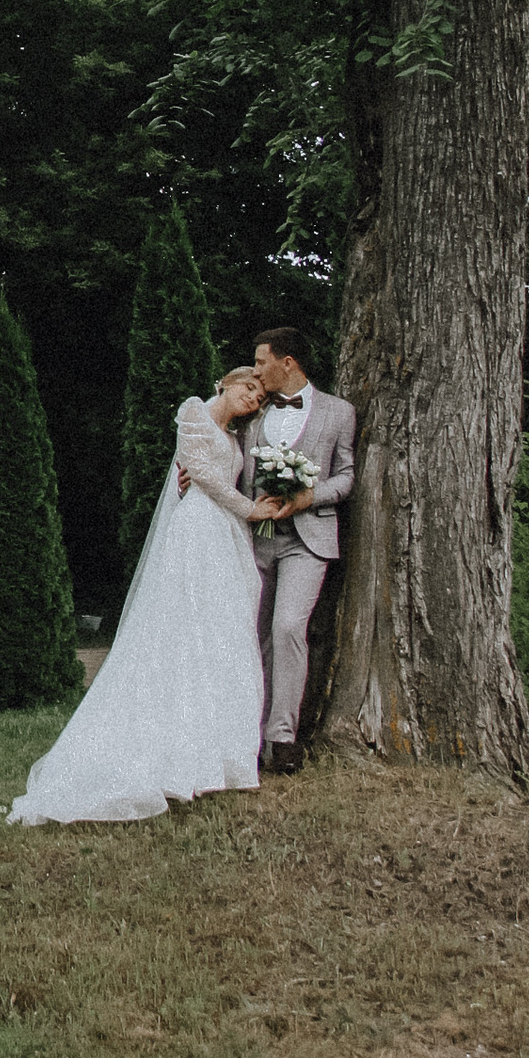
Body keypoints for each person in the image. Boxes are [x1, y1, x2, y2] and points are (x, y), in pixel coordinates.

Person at [7, 368, 283, 826]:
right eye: (247, 388)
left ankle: (220, 752)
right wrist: (250, 509)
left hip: (227, 534)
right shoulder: (194, 410)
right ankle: (167, 751)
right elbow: (205, 478)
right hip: (200, 528)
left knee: (223, 634)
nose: (253, 399)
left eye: (259, 396)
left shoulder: (236, 438)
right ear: (225, 384)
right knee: (185, 629)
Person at [235, 325, 356, 774]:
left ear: (289, 363)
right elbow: (222, 442)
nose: (256, 369)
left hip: (308, 540)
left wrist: (310, 497)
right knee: (249, 634)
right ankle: (242, 732)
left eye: (262, 361)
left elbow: (346, 475)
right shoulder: (253, 407)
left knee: (287, 629)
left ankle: (282, 737)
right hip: (252, 538)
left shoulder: (339, 412)